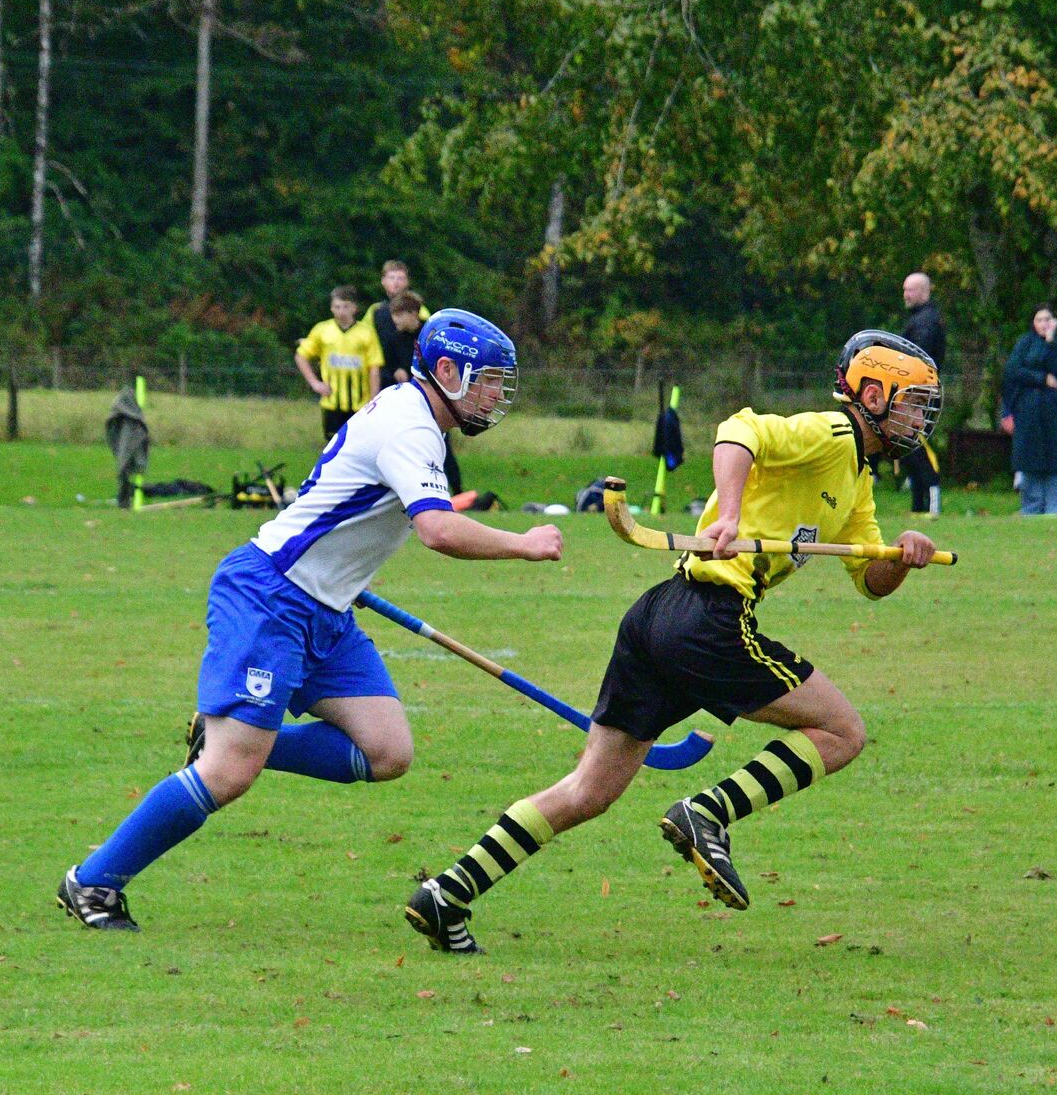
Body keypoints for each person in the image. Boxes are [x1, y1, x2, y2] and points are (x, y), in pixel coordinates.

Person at [404, 329, 944, 955]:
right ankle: (707, 813)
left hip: (661, 618)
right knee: (842, 731)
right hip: (709, 618)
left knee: (590, 791)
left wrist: (903, 557)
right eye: (912, 402)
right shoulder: (831, 434)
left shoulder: (856, 478)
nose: (917, 418)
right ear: (873, 394)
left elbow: (871, 581)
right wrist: (732, 514)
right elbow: (737, 431)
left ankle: (446, 894)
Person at [57, 310, 563, 931]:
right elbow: (436, 528)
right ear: (449, 372)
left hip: (326, 610)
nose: (494, 395)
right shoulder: (411, 427)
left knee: (387, 752)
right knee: (225, 774)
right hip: (269, 597)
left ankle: (246, 741)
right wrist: (524, 542)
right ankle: (94, 882)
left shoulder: (413, 410)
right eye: (486, 380)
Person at [1003, 305, 1057, 515]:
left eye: (1048, 319)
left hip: (1054, 413)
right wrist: (1041, 378)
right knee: (1030, 460)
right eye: (1039, 320)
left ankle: (1056, 508)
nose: (1044, 324)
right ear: (1033, 323)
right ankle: (1031, 509)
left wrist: (1050, 342)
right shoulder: (1024, 343)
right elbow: (1014, 371)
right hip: (1029, 413)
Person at [390, 290, 462, 496]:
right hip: (408, 398)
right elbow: (387, 365)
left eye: (398, 314)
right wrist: (396, 370)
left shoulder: (429, 337)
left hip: (432, 397)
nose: (394, 320)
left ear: (413, 314)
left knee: (441, 444)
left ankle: (456, 490)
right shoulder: (395, 339)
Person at [294, 285, 383, 441]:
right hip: (331, 403)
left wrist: (373, 400)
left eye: (346, 307)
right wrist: (315, 383)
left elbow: (374, 368)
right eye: (337, 307)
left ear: (354, 308)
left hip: (360, 404)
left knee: (358, 447)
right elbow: (301, 356)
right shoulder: (322, 330)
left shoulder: (366, 332)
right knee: (332, 448)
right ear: (331, 308)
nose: (341, 311)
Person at [899, 272, 947, 515]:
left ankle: (933, 495)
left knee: (917, 445)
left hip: (921, 394)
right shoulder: (919, 319)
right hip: (915, 393)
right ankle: (918, 506)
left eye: (910, 290)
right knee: (907, 445)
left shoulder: (926, 322)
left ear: (924, 292)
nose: (905, 294)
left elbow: (919, 358)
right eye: (905, 289)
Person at [368, 261, 429, 389]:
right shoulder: (375, 311)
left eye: (400, 278)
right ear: (383, 281)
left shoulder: (421, 312)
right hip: (384, 376)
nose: (395, 282)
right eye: (391, 278)